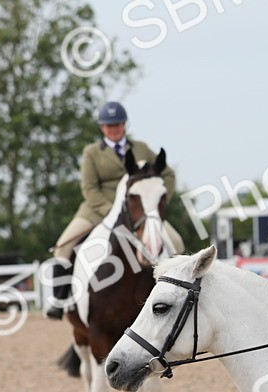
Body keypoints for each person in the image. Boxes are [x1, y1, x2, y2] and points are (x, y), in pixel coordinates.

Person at [46, 101, 183, 319]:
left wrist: (157, 199)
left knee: (176, 242)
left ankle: (179, 293)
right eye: (109, 125)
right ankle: (59, 302)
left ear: (124, 125)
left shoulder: (141, 148)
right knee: (63, 248)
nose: (114, 129)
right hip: (98, 209)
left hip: (142, 211)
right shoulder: (92, 153)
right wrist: (113, 211)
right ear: (102, 127)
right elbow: (89, 188)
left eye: (118, 124)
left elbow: (167, 174)